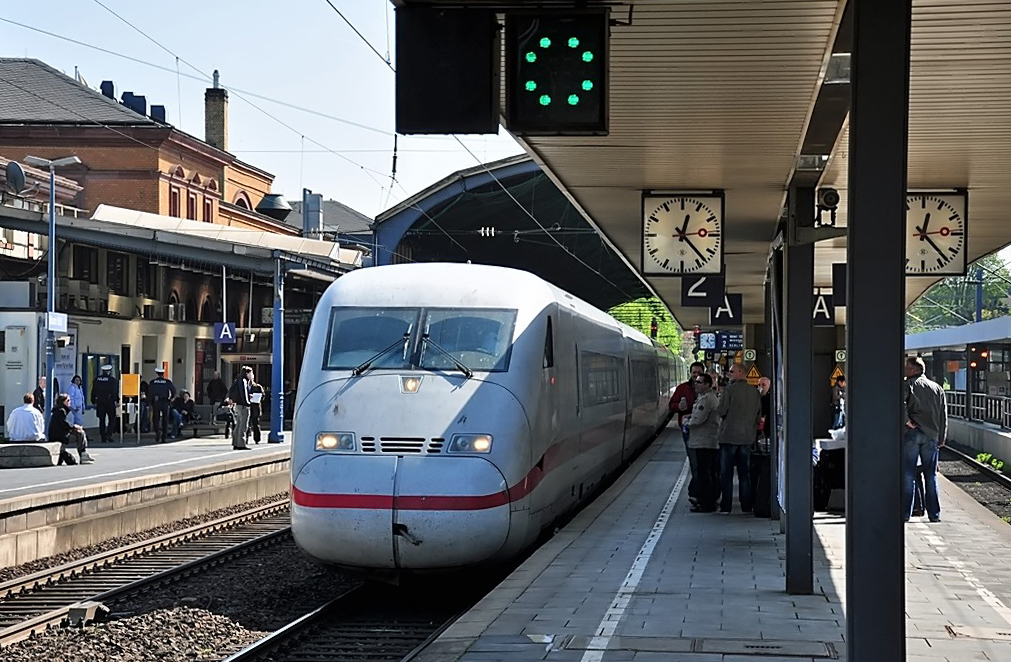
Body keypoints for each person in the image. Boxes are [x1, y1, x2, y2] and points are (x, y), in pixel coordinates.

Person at [904, 356, 947, 522]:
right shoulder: (937, 388)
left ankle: (905, 514)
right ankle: (934, 515)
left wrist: (906, 421)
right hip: (931, 436)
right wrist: (941, 437)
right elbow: (943, 415)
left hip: (912, 433)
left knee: (908, 474)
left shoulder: (908, 385)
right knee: (931, 476)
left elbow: (899, 404)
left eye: (906, 367)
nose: (904, 370)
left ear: (913, 370)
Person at [716, 363, 762, 513]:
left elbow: (722, 411)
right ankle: (746, 505)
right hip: (747, 437)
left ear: (741, 372)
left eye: (731, 371)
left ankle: (726, 506)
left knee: (726, 473)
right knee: (744, 473)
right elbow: (758, 416)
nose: (729, 374)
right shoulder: (754, 392)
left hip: (729, 437)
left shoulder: (729, 390)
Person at [685, 373, 720, 512]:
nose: (696, 384)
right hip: (708, 441)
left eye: (699, 382)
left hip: (704, 441)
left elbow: (698, 419)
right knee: (708, 472)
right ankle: (709, 500)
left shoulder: (706, 399)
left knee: (704, 473)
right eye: (696, 382)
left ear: (707, 384)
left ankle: (706, 504)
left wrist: (686, 423)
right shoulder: (708, 397)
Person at [671, 362, 705, 503]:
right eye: (694, 372)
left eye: (699, 372)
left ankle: (697, 492)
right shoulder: (683, 388)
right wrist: (678, 407)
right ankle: (697, 492)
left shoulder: (707, 389)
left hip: (704, 431)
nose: (696, 375)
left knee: (702, 463)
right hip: (688, 431)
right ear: (690, 373)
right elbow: (671, 405)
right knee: (694, 462)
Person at [49, 393, 94, 465]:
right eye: (68, 400)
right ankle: (83, 453)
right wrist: (74, 427)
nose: (69, 402)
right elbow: (64, 424)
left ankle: (83, 453)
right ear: (63, 402)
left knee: (79, 432)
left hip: (58, 434)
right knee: (80, 433)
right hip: (59, 436)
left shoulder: (58, 410)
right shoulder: (61, 411)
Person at [91, 365, 119, 443]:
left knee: (102, 420)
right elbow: (114, 392)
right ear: (109, 371)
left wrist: (93, 401)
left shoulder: (97, 379)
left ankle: (103, 436)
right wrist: (116, 400)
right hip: (109, 403)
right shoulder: (112, 380)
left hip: (100, 403)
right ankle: (109, 434)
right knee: (112, 419)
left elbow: (93, 391)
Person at [148, 367, 177, 443]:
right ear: (163, 374)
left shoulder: (153, 382)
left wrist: (150, 403)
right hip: (165, 402)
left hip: (156, 402)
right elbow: (174, 392)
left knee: (155, 418)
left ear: (157, 373)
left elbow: (149, 393)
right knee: (165, 419)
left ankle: (157, 431)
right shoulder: (167, 382)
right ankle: (164, 437)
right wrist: (170, 400)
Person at [228, 366, 253, 450]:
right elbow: (243, 393)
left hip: (237, 405)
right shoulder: (244, 381)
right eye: (251, 373)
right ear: (247, 373)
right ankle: (241, 444)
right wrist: (247, 403)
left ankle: (235, 442)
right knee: (243, 425)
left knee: (238, 424)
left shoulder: (237, 380)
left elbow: (231, 391)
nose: (251, 375)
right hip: (243, 406)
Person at [248, 380, 265, 445]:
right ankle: (246, 438)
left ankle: (257, 439)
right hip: (247, 406)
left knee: (256, 423)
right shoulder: (245, 386)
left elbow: (263, 396)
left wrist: (258, 397)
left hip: (256, 406)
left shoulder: (258, 387)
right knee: (246, 423)